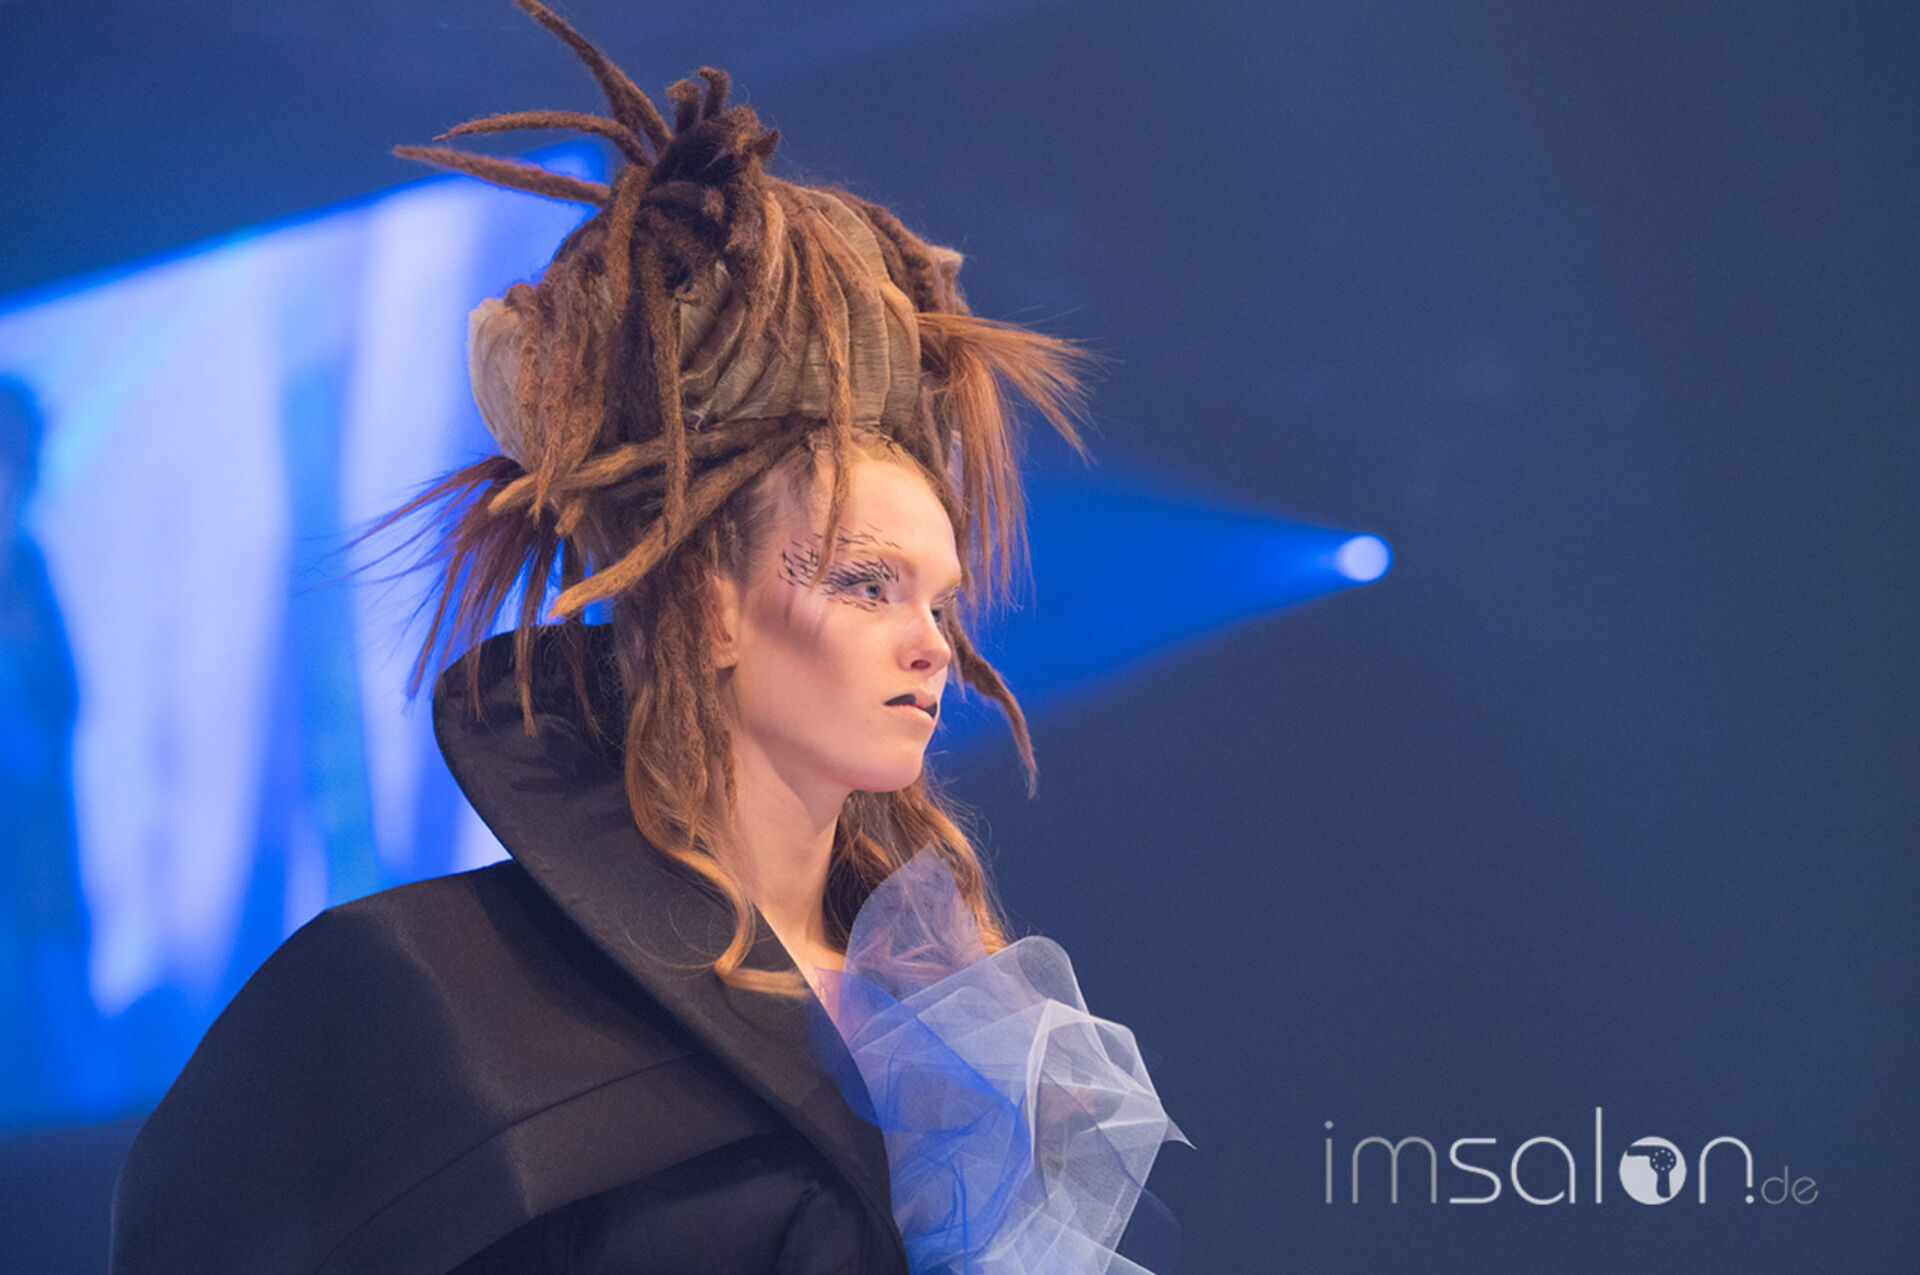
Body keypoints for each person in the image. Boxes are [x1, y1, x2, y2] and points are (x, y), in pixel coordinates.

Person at [109, 3, 1183, 1272]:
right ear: (712, 603)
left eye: (940, 602)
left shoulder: (958, 1020)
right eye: (866, 584)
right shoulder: (425, 997)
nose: (932, 645)